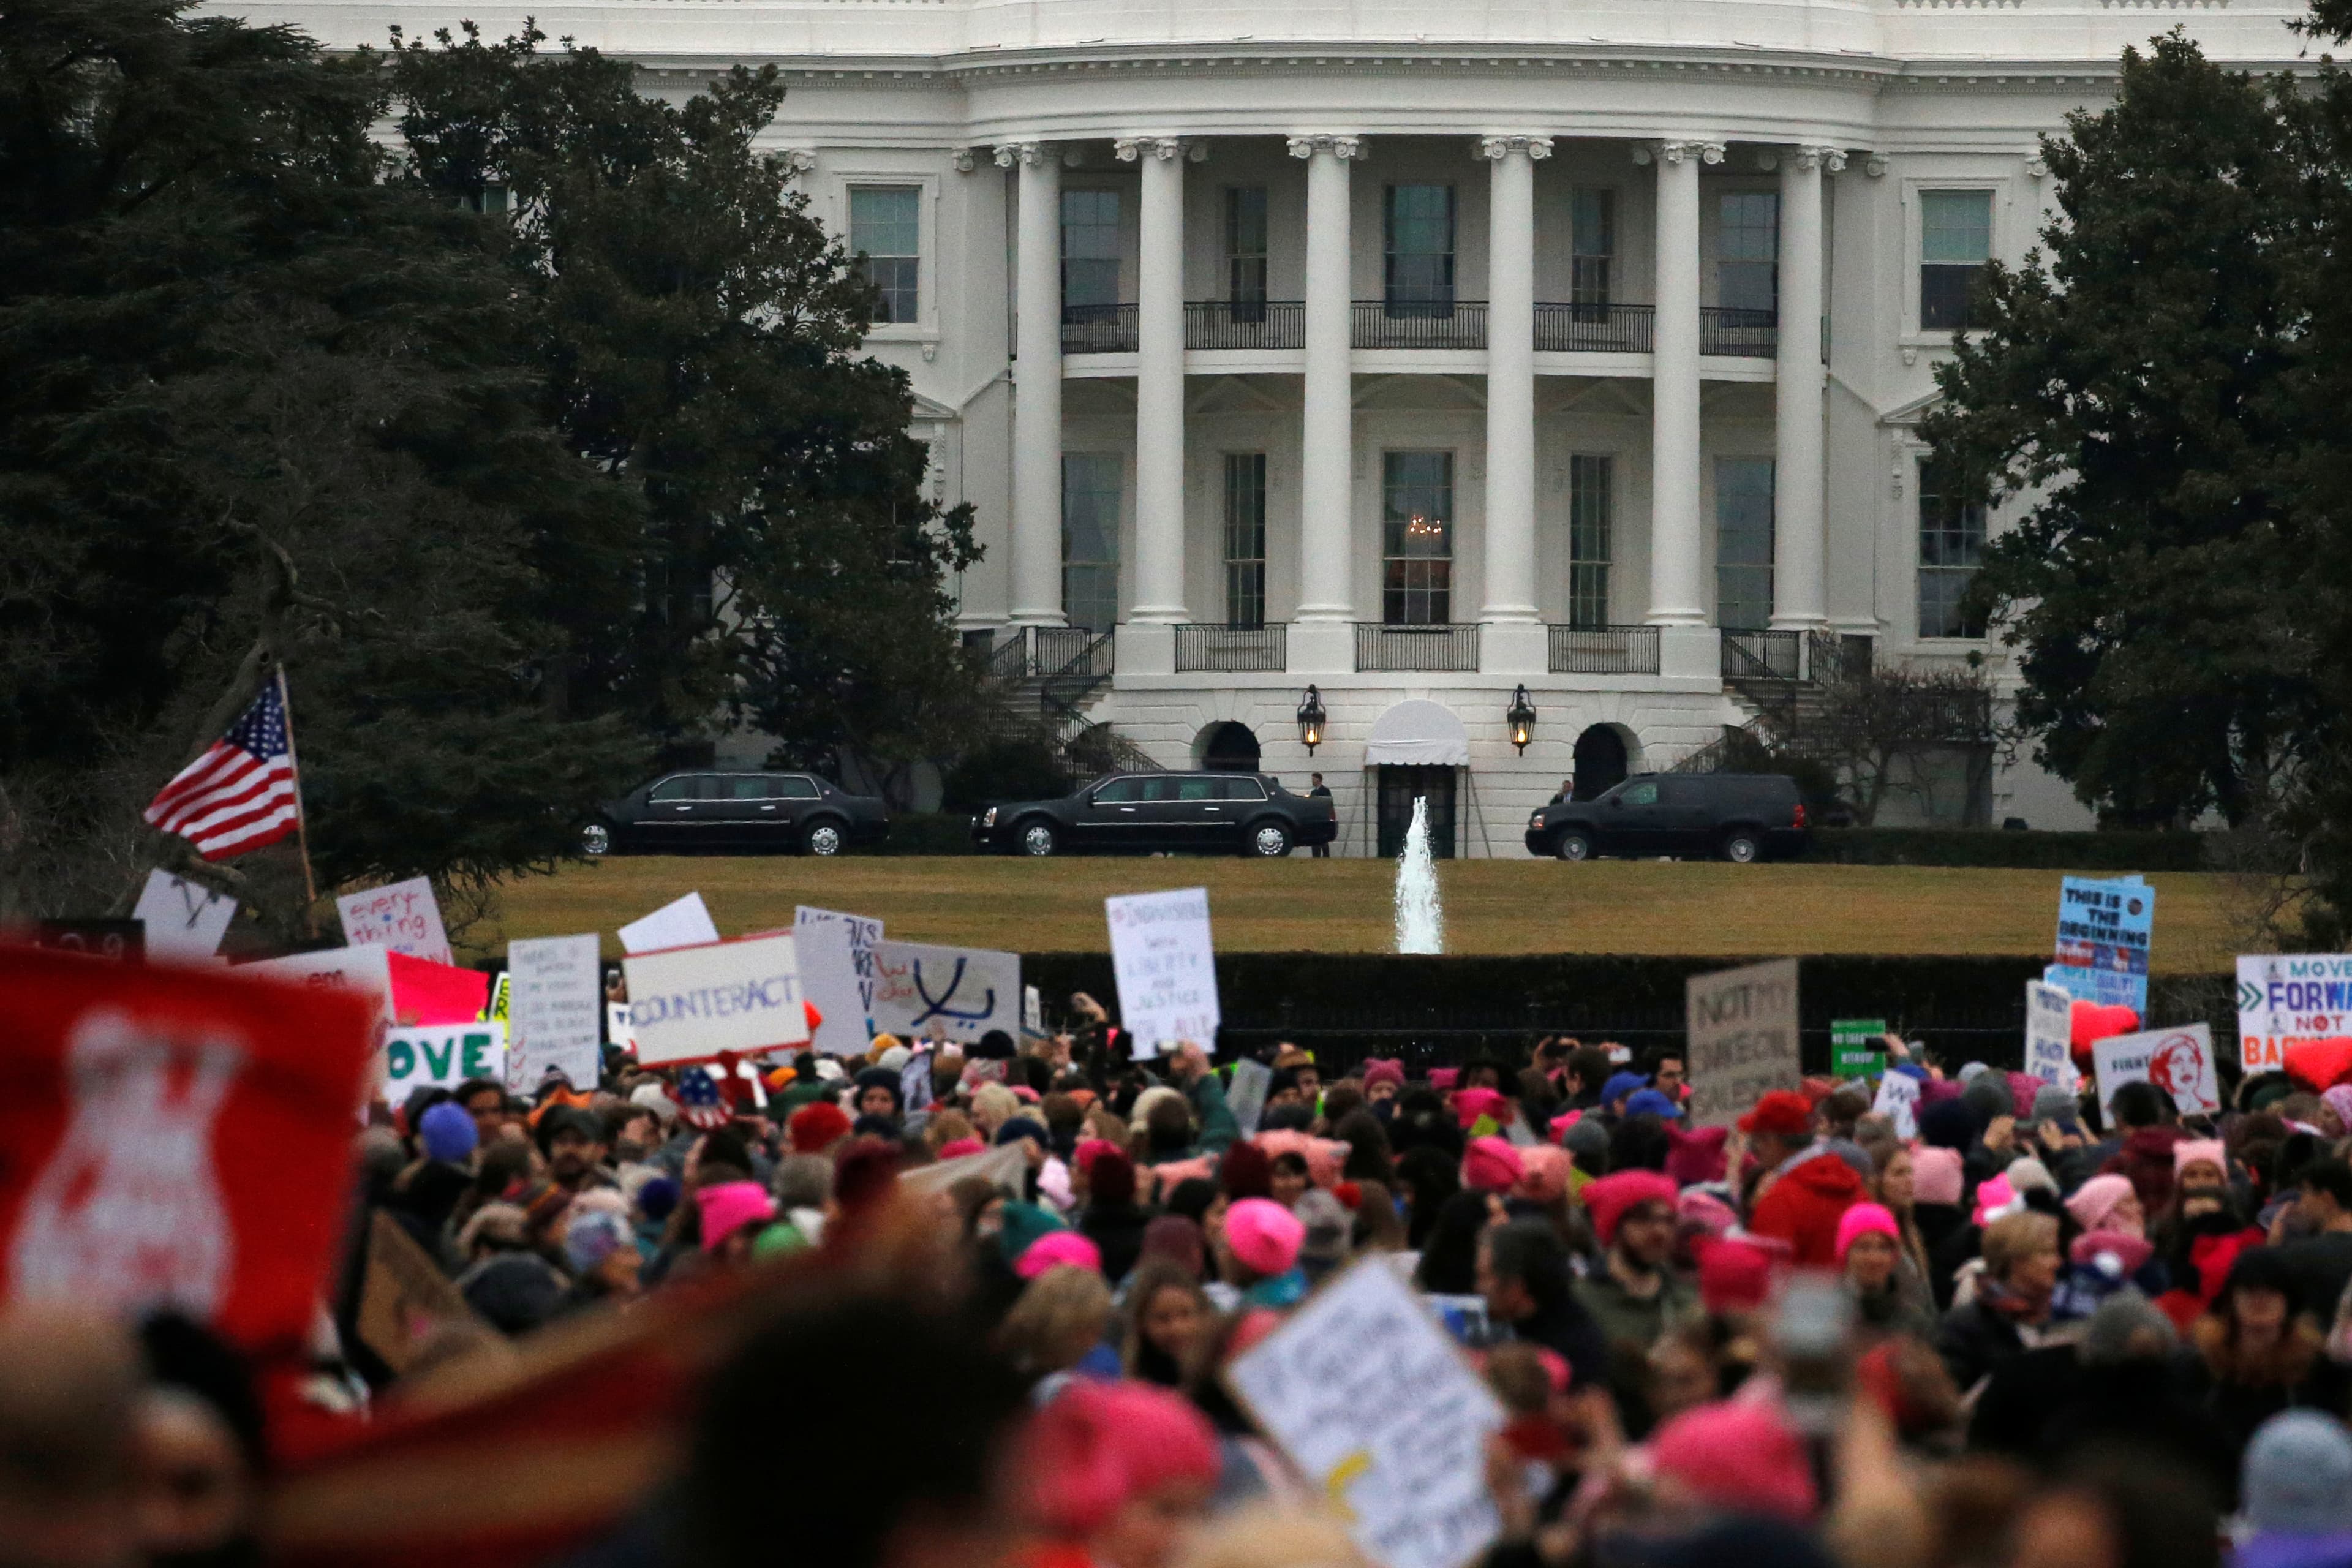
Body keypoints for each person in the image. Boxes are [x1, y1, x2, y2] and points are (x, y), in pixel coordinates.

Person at [1936, 1208, 2060, 1395]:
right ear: (2013, 1259)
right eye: (2047, 1253)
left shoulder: (2067, 1318)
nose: (2058, 1262)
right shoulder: (1962, 1329)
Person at [1479, 1217, 1609, 1395]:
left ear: (1516, 1287)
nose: (1478, 1287)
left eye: (1484, 1277)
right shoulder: (1528, 1330)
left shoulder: (1565, 1361)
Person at [1741, 1089, 1864, 1267]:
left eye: (1758, 1139)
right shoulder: (1853, 1184)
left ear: (1773, 1140)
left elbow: (1766, 1278)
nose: (1755, 1148)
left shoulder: (1780, 1202)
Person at [1841, 1202, 1937, 1340]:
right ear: (1846, 1253)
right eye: (1863, 1248)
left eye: (1883, 1248)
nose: (1873, 1259)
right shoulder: (1828, 1319)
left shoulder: (1915, 1324)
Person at [2277, 1162, 2352, 1320]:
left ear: (2327, 1199)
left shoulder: (2303, 1255)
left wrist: (2275, 1241)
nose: (2300, 1204)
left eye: (2304, 1194)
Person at [1122, 1261, 1212, 1387]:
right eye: (1163, 1318)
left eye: (1186, 1314)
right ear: (1141, 1324)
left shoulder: (1221, 1373)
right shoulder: (1138, 1386)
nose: (1177, 1328)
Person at [1307, 773, 1332, 858]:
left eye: (1314, 779)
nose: (1312, 781)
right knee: (1314, 839)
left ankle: (1326, 856)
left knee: (1323, 839)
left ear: (1318, 780)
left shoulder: (1325, 791)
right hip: (1314, 818)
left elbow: (1329, 804)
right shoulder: (1312, 792)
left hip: (1323, 818)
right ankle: (1315, 856)